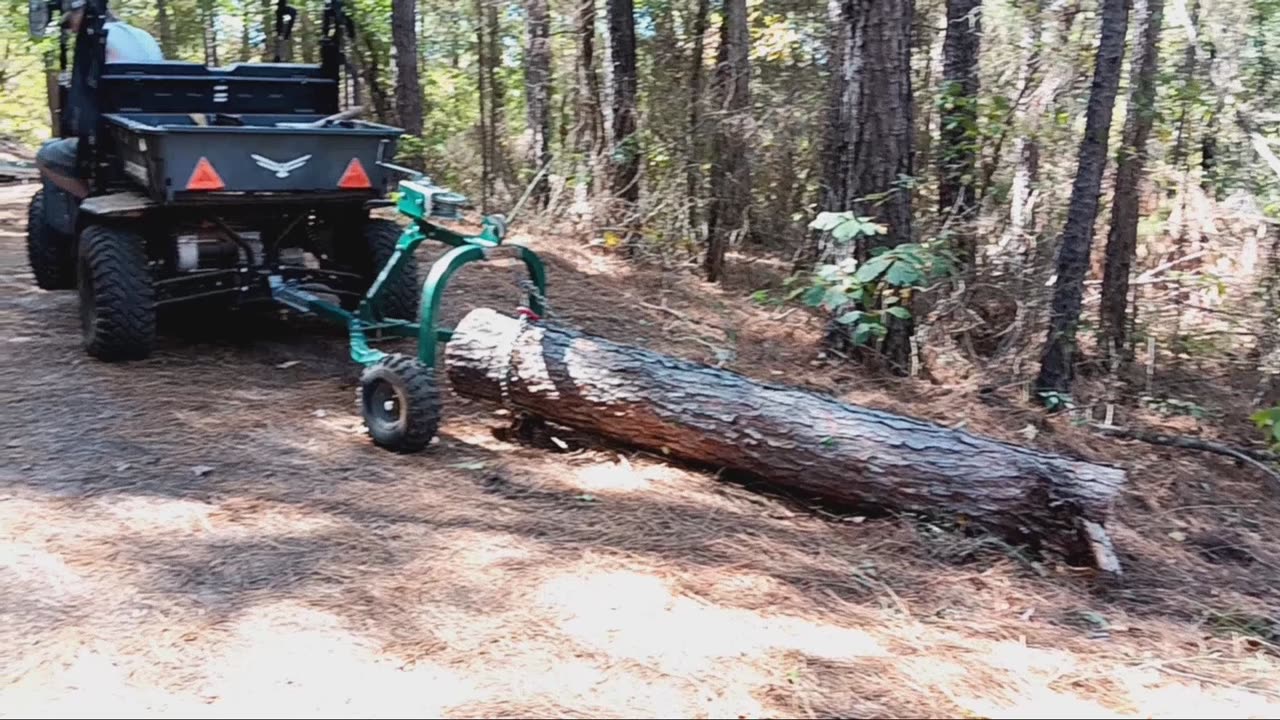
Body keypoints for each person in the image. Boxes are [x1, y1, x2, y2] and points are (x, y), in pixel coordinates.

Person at [36, 0, 164, 206]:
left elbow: (90, 97)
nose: (70, 30)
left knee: (46, 156)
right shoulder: (141, 36)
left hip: (114, 139)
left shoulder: (96, 39)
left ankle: (92, 201)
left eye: (69, 23)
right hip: (148, 130)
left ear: (81, 13)